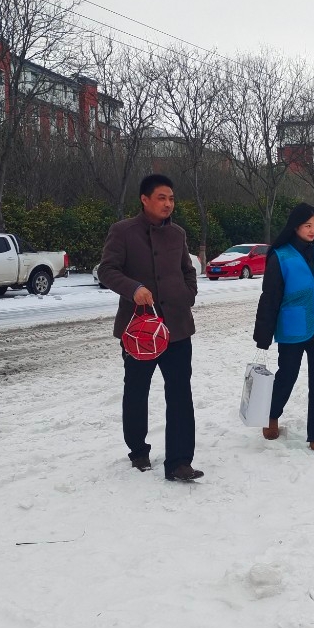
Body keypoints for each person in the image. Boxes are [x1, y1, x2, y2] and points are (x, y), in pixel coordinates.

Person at [98, 174, 204, 481]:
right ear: (144, 199)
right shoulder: (123, 232)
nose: (168, 204)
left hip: (177, 328)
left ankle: (180, 462)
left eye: (171, 198)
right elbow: (107, 269)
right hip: (139, 331)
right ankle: (138, 450)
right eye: (162, 198)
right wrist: (133, 289)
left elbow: (188, 271)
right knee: (136, 391)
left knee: (180, 393)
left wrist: (187, 296)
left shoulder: (178, 234)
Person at [253, 203, 314, 456]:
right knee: (287, 375)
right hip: (292, 327)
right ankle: (271, 414)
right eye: (308, 225)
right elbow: (269, 297)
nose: (313, 230)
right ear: (296, 226)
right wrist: (263, 335)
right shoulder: (280, 256)